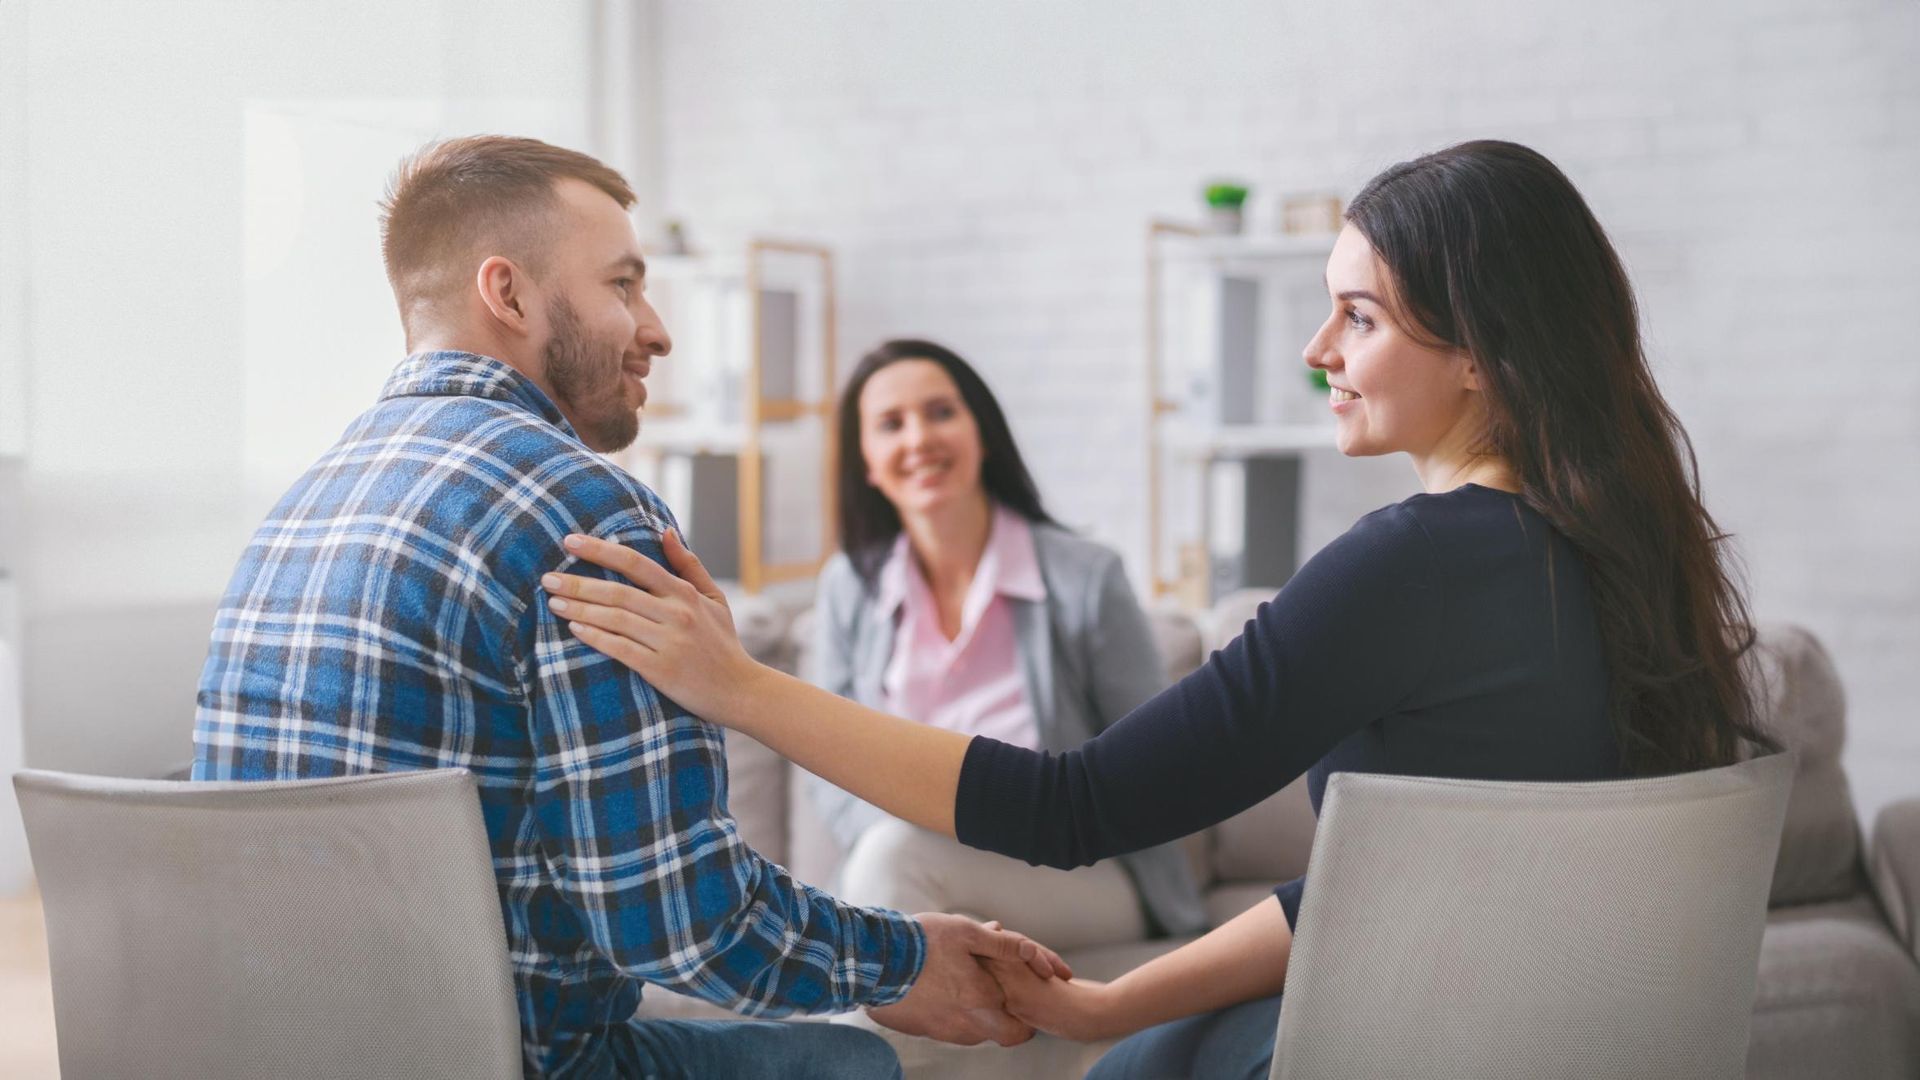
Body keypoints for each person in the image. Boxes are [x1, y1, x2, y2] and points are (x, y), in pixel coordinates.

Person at [539, 139, 1779, 1079]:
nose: (1316, 349)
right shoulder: (1628, 558)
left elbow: (1073, 808)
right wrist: (1112, 1005)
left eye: (1358, 315)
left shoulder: (1406, 567)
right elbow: (1377, 892)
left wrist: (742, 688)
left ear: (1478, 351)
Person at [191, 135, 1068, 1080]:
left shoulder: (299, 507)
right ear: (510, 294)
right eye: (623, 285)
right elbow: (678, 919)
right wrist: (902, 962)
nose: (656, 329)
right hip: (507, 1062)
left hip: (280, 1053)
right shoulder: (586, 517)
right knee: (847, 1064)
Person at [807, 337, 1206, 951]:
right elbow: (826, 764)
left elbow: (1154, 762)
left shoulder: (1087, 578)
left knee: (896, 864)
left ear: (982, 432)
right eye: (890, 424)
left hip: (1078, 873)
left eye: (941, 412)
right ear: (866, 460)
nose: (919, 439)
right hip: (905, 866)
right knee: (895, 860)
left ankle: (852, 1045)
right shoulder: (848, 586)